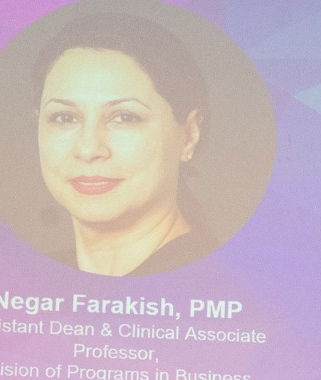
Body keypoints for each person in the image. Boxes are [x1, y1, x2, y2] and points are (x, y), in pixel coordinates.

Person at [34, 14, 212, 277]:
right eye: (64, 117)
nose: (88, 149)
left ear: (188, 135)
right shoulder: (27, 282)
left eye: (125, 117)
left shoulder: (216, 285)